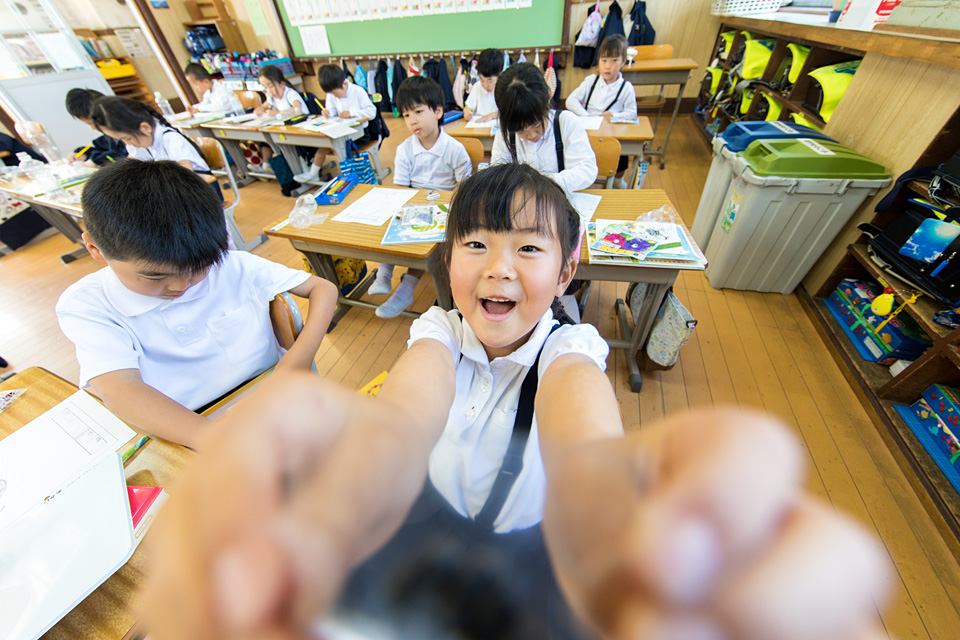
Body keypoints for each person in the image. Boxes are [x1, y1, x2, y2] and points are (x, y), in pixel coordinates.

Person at [141, 163, 894, 640]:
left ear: (566, 272)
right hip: (419, 513)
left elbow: (585, 433)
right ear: (447, 260)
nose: (499, 268)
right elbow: (405, 414)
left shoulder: (571, 349)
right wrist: (372, 451)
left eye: (528, 249)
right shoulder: (437, 331)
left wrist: (608, 490)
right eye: (476, 245)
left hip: (539, 542)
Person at [55, 160, 338, 450]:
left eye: (198, 268)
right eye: (154, 277)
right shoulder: (87, 305)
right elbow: (120, 390)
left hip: (264, 396)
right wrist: (217, 440)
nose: (180, 285)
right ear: (94, 248)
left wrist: (296, 361)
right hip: (179, 428)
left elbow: (323, 288)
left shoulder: (233, 266)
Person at [370, 76, 471, 320]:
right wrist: (405, 210)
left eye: (418, 111)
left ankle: (406, 289)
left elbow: (464, 188)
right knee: (393, 223)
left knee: (426, 240)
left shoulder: (454, 149)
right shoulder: (405, 149)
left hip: (444, 209)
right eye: (406, 115)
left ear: (438, 111)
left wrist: (445, 208)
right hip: (414, 205)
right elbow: (400, 189)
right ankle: (384, 272)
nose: (412, 120)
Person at [492, 62, 598, 193]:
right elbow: (498, 173)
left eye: (536, 125)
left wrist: (551, 181)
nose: (531, 135)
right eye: (520, 130)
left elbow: (587, 169)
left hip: (561, 199)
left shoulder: (566, 122)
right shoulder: (506, 134)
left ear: (547, 97)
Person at [565, 34, 637, 189]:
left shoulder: (626, 87)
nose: (608, 66)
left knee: (619, 152)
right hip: (590, 129)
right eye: (604, 60)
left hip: (613, 131)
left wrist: (615, 115)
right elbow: (570, 101)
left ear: (623, 61)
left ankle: (617, 179)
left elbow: (632, 112)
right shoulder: (591, 81)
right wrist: (587, 115)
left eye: (614, 60)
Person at [294, 64, 376, 184]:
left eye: (336, 94)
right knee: (324, 145)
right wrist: (328, 113)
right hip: (340, 132)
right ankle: (313, 174)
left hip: (359, 134)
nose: (334, 96)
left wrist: (351, 113)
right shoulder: (331, 93)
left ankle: (349, 177)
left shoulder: (358, 91)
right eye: (332, 94)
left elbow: (372, 112)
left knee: (337, 147)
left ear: (344, 83)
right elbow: (332, 110)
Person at [90, 96, 210, 174]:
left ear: (145, 128)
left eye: (127, 138)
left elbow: (186, 174)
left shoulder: (171, 139)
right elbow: (129, 168)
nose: (128, 144)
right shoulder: (139, 144)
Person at [252, 64, 307, 168]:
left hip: (300, 129)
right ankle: (266, 166)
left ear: (282, 84)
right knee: (267, 140)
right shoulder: (271, 96)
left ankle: (294, 168)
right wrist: (260, 109)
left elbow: (297, 109)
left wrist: (277, 113)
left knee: (280, 141)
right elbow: (263, 106)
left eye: (270, 86)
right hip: (285, 129)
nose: (269, 90)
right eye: (265, 87)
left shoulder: (290, 94)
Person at [64, 88, 128, 166]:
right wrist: (85, 154)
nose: (92, 127)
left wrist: (96, 161)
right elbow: (103, 149)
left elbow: (122, 154)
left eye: (91, 123)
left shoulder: (126, 130)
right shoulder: (109, 137)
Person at [463, 48, 502, 123]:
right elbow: (468, 107)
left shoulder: (506, 88)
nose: (485, 85)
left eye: (490, 81)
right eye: (482, 80)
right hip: (479, 127)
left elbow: (511, 113)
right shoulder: (477, 87)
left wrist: (492, 115)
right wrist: (467, 112)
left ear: (500, 75)